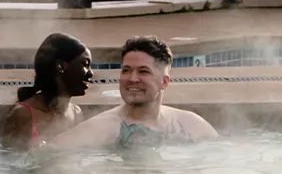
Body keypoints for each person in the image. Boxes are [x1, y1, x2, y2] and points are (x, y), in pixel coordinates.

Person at [46, 35, 217, 150]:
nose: (132, 79)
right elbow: (42, 157)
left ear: (164, 82)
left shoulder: (191, 124)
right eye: (126, 70)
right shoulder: (102, 128)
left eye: (143, 71)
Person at [0, 33, 94, 150]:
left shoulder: (76, 113)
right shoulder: (23, 115)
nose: (91, 73)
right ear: (60, 66)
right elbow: (8, 163)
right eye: (85, 64)